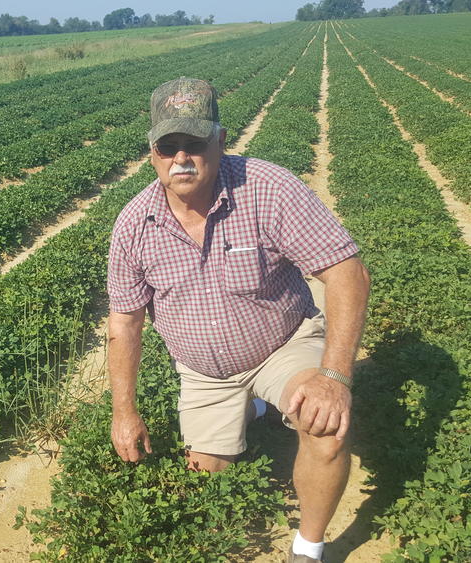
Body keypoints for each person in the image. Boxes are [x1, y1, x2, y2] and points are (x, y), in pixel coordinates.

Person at [106, 77, 370, 563]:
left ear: (221, 141)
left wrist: (333, 376)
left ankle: (309, 548)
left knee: (325, 426)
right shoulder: (134, 225)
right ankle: (255, 409)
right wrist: (123, 411)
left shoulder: (268, 189)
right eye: (169, 146)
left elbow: (347, 273)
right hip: (205, 371)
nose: (181, 158)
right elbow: (124, 324)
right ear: (152, 153)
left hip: (282, 343)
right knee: (207, 474)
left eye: (195, 144)